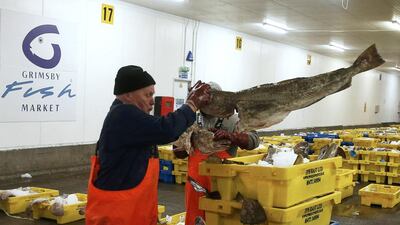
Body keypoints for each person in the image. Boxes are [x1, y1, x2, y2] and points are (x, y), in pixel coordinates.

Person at [85, 65, 211, 225]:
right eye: (148, 95)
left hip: (130, 210)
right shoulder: (123, 115)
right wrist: (191, 105)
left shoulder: (128, 117)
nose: (152, 100)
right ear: (128, 95)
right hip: (118, 214)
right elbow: (166, 129)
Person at [175, 82, 260, 225]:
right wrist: (185, 146)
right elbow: (177, 151)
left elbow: (254, 140)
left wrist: (234, 137)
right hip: (195, 186)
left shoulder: (233, 120)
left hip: (223, 187)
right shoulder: (190, 120)